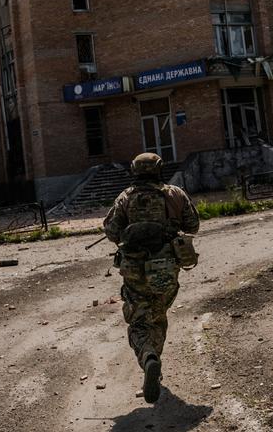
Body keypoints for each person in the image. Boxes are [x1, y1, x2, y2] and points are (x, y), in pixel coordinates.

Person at [103, 152, 200, 403]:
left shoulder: (125, 197)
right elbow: (193, 226)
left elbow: (112, 231)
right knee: (158, 315)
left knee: (138, 320)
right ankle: (154, 361)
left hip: (134, 270)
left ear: (134, 171)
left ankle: (148, 357)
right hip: (166, 268)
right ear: (159, 169)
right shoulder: (175, 194)